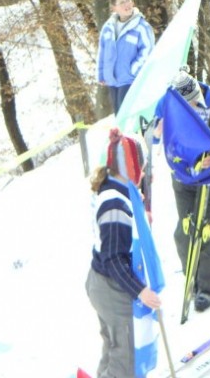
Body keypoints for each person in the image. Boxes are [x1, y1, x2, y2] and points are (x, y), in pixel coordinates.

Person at [153, 70, 210, 312]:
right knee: (186, 230)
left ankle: (207, 287)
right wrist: (156, 130)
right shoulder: (168, 101)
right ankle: (191, 275)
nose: (191, 107)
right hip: (183, 176)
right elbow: (153, 131)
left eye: (193, 103)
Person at [86, 129, 161, 378]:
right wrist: (140, 290)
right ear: (129, 164)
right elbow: (114, 257)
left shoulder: (115, 191)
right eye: (140, 162)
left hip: (102, 282)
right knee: (125, 355)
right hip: (112, 287)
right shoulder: (115, 205)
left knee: (113, 346)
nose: (143, 168)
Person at [97, 0, 156, 114]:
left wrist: (133, 70)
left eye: (128, 0)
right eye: (122, 2)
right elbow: (103, 51)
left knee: (126, 117)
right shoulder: (108, 28)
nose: (127, 5)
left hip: (130, 80)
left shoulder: (141, 27)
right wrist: (102, 74)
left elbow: (147, 51)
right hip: (112, 80)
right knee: (118, 116)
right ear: (114, 8)